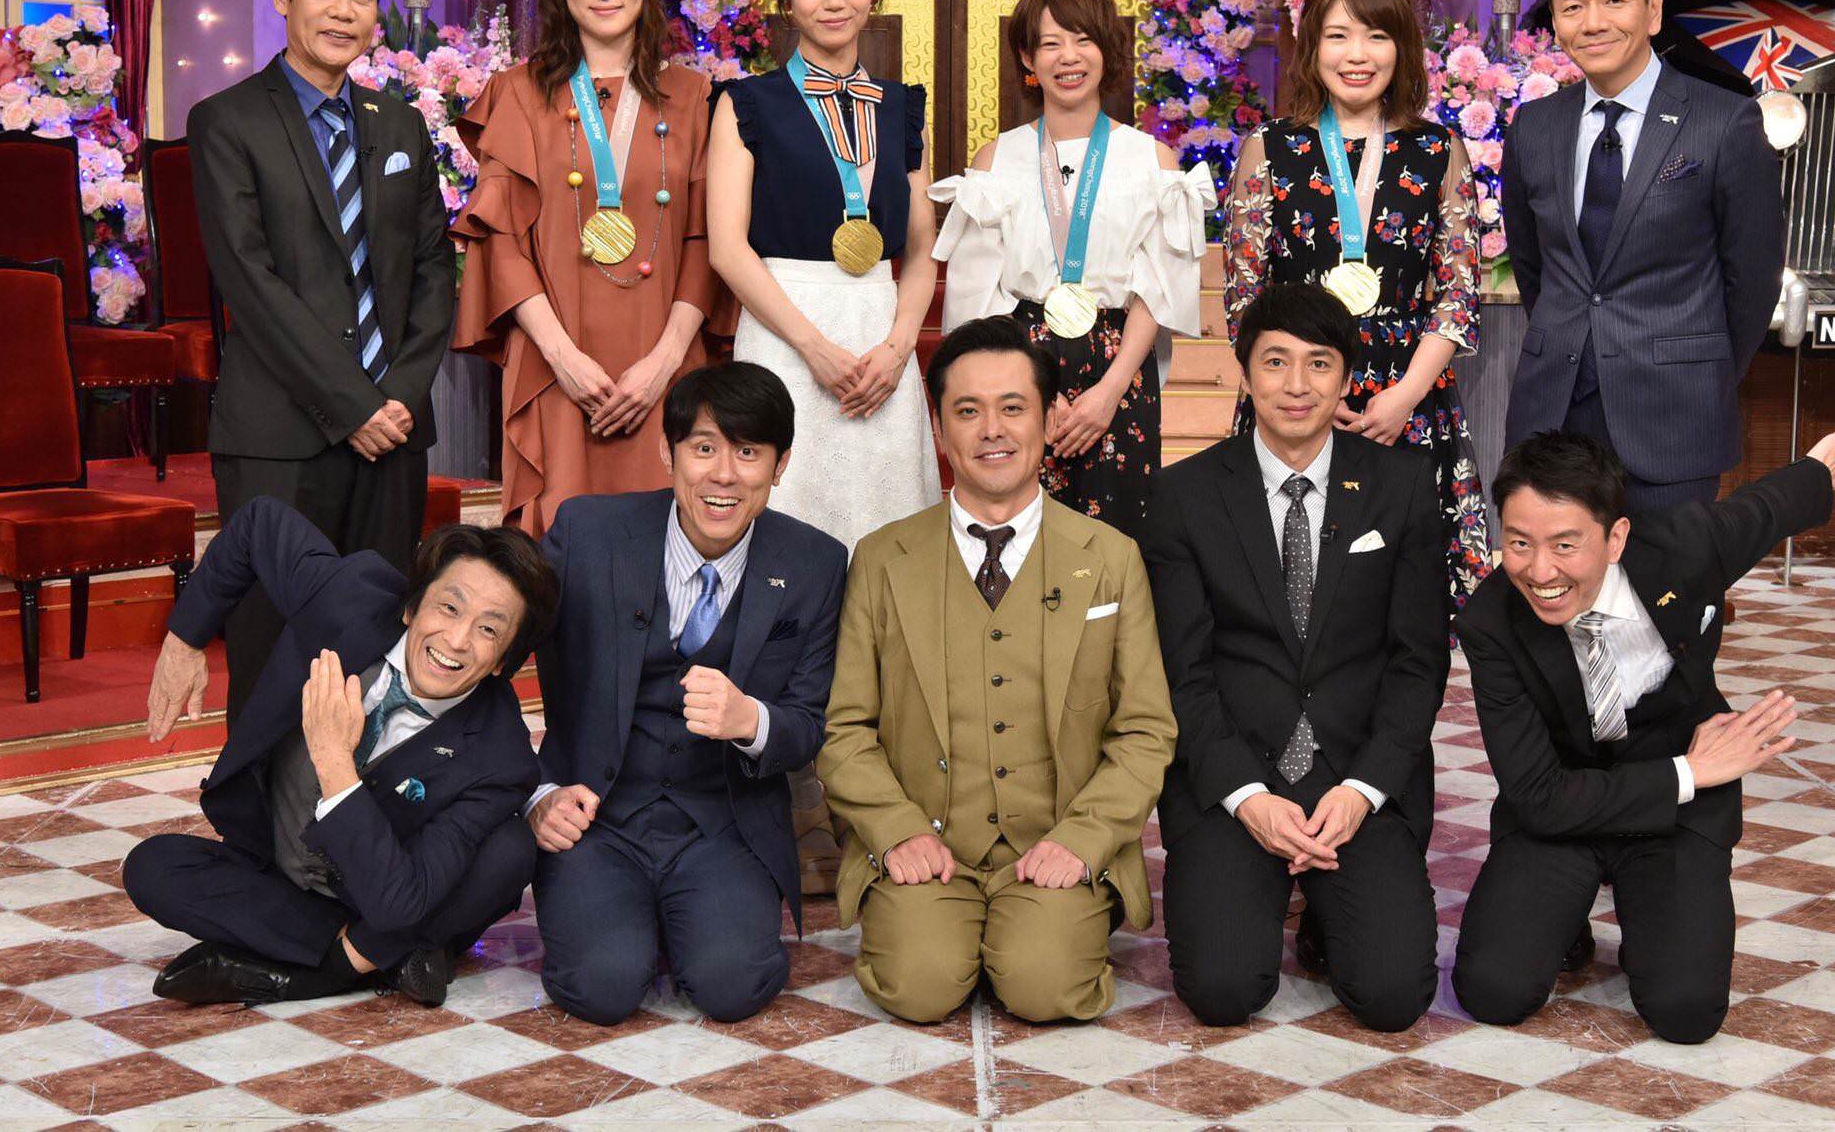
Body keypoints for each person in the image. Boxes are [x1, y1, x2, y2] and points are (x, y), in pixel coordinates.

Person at [1451, 417, 1835, 1043]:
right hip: (1565, 809)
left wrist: (1818, 470)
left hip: (1678, 815)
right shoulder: (1489, 621)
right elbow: (1538, 796)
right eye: (1519, 543)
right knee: (1493, 991)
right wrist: (1692, 770)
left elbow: (1762, 511)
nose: (1540, 571)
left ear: (1616, 537)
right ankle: (1566, 918)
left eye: (1565, 545)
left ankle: (1651, 922)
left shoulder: (1684, 548)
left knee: (1686, 1012)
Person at [818, 317, 1175, 1024]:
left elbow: (1145, 731)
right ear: (939, 428)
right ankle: (950, 928)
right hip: (929, 845)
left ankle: (1045, 927)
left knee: (1045, 988)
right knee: (919, 987)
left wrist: (1082, 841)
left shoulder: (1110, 556)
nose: (992, 431)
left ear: (1048, 418)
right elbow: (846, 731)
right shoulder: (882, 558)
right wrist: (897, 830)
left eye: (1013, 407)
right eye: (967, 411)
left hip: (1055, 845)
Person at [1141, 283, 1446, 1032]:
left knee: (1392, 997)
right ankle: (1274, 883)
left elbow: (1418, 663)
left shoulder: (1402, 486)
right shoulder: (1184, 495)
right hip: (1238, 772)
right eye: (1275, 362)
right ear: (1244, 373)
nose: (1297, 385)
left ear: (1347, 379)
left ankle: (1328, 916)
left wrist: (1363, 790)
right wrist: (1247, 795)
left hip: (1355, 771)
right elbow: (1183, 672)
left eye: (1319, 363)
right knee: (1222, 990)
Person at [124, 495, 558, 1007]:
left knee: (509, 849)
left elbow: (399, 902)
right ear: (411, 607)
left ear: (504, 663)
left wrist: (335, 763)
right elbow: (260, 523)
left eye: (488, 629)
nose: (457, 640)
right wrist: (184, 640)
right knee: (153, 868)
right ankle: (389, 957)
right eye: (449, 607)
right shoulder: (347, 597)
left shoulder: (500, 754)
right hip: (276, 872)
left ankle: (319, 972)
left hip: (380, 896)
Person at [187, 0, 456, 723]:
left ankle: (358, 800)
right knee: (273, 644)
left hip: (392, 434)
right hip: (280, 436)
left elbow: (434, 270)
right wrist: (353, 406)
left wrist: (397, 398)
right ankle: (264, 807)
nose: (344, 12)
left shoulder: (398, 123)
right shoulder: (227, 121)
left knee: (376, 641)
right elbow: (251, 283)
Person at [525, 363, 846, 1024]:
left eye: (748, 452)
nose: (723, 475)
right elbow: (487, 665)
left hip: (724, 823)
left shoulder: (814, 563)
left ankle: (691, 920)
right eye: (703, 448)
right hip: (597, 816)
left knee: (733, 986)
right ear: (667, 454)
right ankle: (633, 922)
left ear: (781, 465)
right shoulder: (587, 533)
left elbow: (808, 723)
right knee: (601, 988)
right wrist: (537, 794)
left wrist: (750, 719)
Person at [1223, 0, 1488, 621]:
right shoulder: (1269, 148)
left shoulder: (1439, 150)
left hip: (1409, 395)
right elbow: (1244, 301)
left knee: (1406, 599)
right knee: (1290, 591)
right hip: (1294, 391)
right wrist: (1304, 387)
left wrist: (1405, 396)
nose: (1357, 55)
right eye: (1338, 36)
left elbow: (1457, 296)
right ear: (1312, 47)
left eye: (1376, 36)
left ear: (1402, 48)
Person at [1499, 0, 1784, 512]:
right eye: (1572, 6)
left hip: (1673, 414)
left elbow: (1753, 278)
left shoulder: (1723, 120)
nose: (1592, 22)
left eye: (1613, 0)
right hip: (1554, 409)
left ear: (1652, 11)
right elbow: (1534, 266)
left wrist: (1699, 369)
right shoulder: (1535, 126)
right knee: (1553, 570)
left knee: (1668, 573)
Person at [452, 0, 719, 535]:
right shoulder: (518, 93)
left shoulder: (693, 97)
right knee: (560, 545)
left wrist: (664, 364)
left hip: (664, 361)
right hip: (556, 365)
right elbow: (501, 245)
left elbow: (705, 241)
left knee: (668, 543)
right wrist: (562, 357)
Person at [706, 0, 940, 552]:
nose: (833, 0)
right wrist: (812, 348)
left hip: (880, 343)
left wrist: (898, 349)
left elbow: (921, 249)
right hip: (785, 337)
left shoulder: (903, 108)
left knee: (890, 530)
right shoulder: (746, 104)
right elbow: (727, 249)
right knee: (788, 526)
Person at [929, 0, 1210, 536]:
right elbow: (977, 299)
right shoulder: (996, 160)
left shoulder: (1151, 159)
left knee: (1119, 538)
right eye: (1050, 43)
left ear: (1106, 49)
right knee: (1019, 531)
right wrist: (1032, 395)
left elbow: (1157, 288)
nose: (1068, 57)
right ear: (1027, 58)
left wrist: (1110, 391)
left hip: (1118, 365)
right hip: (1018, 367)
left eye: (1083, 39)